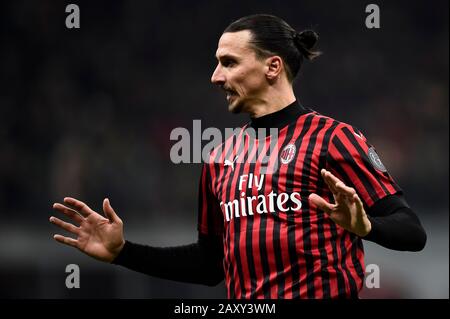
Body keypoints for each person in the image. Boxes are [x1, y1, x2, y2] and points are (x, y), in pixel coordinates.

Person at [49, 14, 427, 299]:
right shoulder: (219, 158)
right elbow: (209, 264)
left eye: (228, 62)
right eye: (217, 63)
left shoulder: (334, 139)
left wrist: (366, 227)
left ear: (272, 67)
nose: (216, 76)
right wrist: (123, 252)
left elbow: (412, 231)